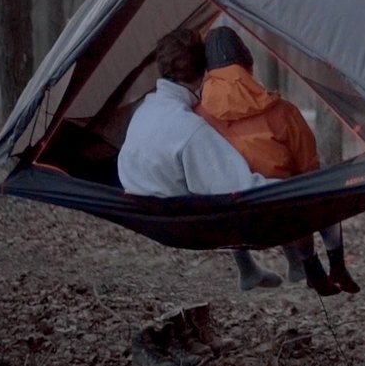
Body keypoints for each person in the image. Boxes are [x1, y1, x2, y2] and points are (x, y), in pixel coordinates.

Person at [117, 27, 285, 291]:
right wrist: (296, 187)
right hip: (180, 218)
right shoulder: (191, 130)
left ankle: (249, 269)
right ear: (204, 70)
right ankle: (297, 263)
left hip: (142, 205)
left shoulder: (145, 110)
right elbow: (241, 188)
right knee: (242, 189)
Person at [198, 26, 361, 296]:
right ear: (247, 64)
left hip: (236, 217)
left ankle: (311, 268)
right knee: (314, 191)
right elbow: (308, 168)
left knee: (291, 197)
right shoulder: (282, 113)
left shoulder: (198, 117)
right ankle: (330, 265)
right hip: (284, 209)